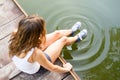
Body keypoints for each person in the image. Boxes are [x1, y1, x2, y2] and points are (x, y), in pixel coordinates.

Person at [9, 15, 87, 74]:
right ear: (36, 35)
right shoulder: (36, 53)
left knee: (57, 33)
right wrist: (67, 69)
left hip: (29, 55)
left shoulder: (16, 34)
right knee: (63, 40)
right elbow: (53, 68)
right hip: (38, 67)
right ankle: (77, 38)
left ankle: (71, 31)